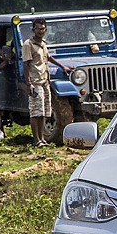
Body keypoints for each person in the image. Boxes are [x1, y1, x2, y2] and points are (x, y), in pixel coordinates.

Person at [22, 17, 72, 146]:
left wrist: (63, 67)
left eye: (42, 28)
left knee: (44, 112)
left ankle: (42, 138)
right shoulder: (28, 44)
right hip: (35, 82)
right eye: (38, 28)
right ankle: (36, 140)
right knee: (35, 112)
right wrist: (29, 84)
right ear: (33, 30)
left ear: (46, 30)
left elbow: (48, 57)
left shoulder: (43, 44)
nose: (40, 31)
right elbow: (26, 65)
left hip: (45, 82)